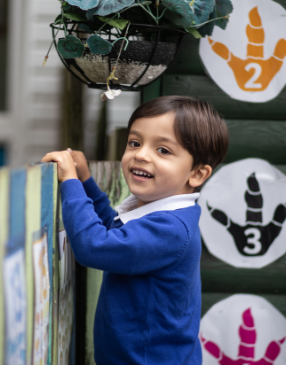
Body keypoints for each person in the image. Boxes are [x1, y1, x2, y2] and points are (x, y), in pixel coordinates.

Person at [42, 95, 229, 365]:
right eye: (135, 142)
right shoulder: (159, 213)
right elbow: (112, 231)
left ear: (197, 174)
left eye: (163, 150)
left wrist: (69, 181)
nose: (141, 154)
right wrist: (84, 180)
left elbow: (94, 246)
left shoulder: (170, 229)